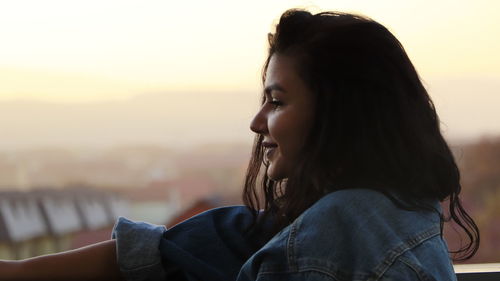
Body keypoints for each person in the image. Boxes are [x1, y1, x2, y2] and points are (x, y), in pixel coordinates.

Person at [0, 8, 479, 281]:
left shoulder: (339, 233)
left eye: (276, 101)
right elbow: (181, 249)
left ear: (342, 111)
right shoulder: (391, 213)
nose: (256, 123)